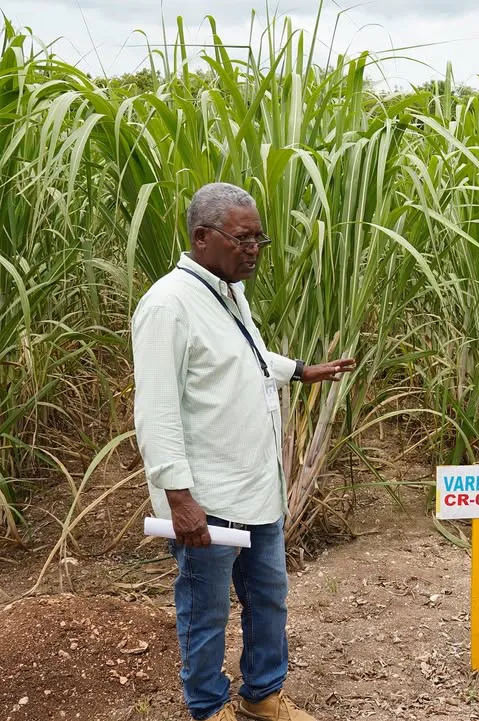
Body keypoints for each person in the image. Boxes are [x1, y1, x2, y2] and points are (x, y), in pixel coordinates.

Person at [132, 182, 356, 721]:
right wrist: (180, 499)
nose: (254, 248)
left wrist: (300, 371)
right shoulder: (168, 305)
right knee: (204, 613)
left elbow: (244, 359)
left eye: (260, 238)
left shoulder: (227, 291)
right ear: (202, 237)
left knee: (268, 600)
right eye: (243, 238)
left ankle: (261, 697)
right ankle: (209, 710)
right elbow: (156, 412)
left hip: (257, 490)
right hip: (207, 501)